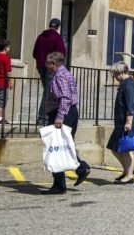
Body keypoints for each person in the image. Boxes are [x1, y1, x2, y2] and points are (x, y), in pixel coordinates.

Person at [43, 51, 90, 194]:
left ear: (54, 63)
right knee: (63, 146)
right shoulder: (65, 73)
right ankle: (78, 170)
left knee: (56, 147)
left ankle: (68, 178)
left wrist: (59, 116)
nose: (46, 65)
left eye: (48, 62)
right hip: (69, 112)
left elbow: (65, 98)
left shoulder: (60, 76)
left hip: (62, 113)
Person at [106, 61, 134, 184]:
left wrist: (129, 122)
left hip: (127, 122)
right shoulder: (124, 84)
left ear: (120, 72)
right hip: (120, 123)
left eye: (114, 74)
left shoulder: (128, 84)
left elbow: (131, 105)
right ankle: (127, 170)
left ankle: (129, 175)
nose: (114, 77)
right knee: (114, 147)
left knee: (126, 149)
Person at [33, 18, 66, 126]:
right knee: (48, 92)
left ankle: (48, 116)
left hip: (40, 66)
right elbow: (62, 53)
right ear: (58, 27)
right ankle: (42, 118)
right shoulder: (57, 38)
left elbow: (34, 53)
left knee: (49, 91)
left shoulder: (40, 37)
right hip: (50, 67)